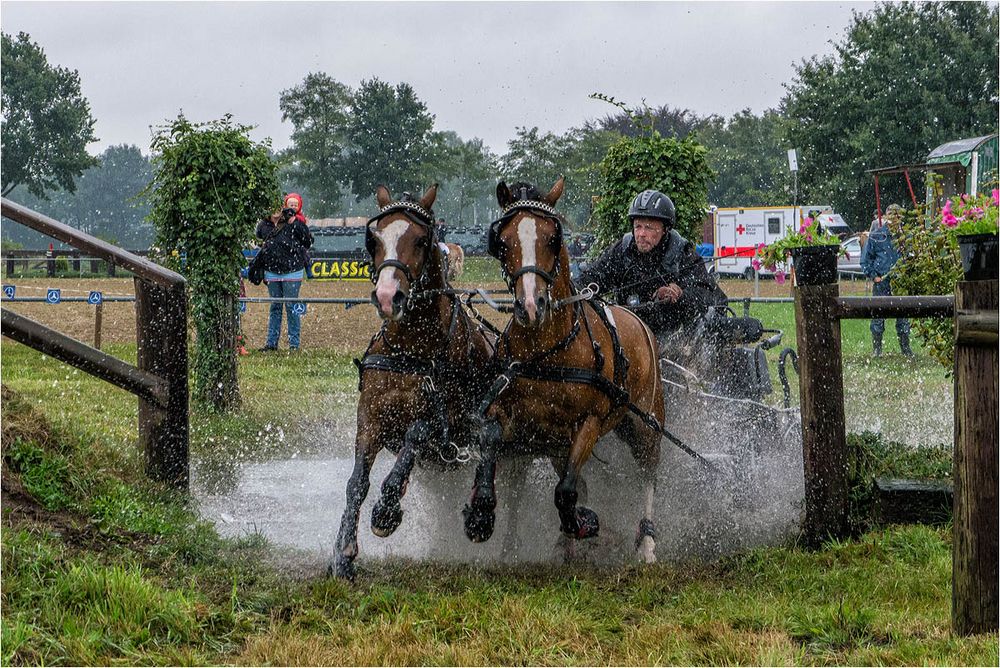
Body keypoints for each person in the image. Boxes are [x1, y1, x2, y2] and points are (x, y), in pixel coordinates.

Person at [576, 189, 727, 344]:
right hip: (629, 337)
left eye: (648, 228)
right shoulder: (622, 250)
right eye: (638, 226)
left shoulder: (683, 253)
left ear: (664, 229)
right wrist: (571, 288)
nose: (641, 234)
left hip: (675, 341)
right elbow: (594, 277)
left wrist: (680, 295)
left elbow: (711, 296)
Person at [254, 193, 314, 351]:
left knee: (291, 306)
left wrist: (296, 223)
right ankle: (271, 343)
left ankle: (294, 344)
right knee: (275, 307)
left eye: (277, 207)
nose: (275, 211)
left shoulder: (293, 222)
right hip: (272, 271)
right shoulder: (264, 225)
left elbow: (307, 241)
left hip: (292, 270)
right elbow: (258, 239)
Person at [860, 204, 912, 358]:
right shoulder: (877, 236)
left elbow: (913, 257)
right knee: (878, 315)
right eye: (891, 214)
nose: (894, 217)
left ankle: (906, 349)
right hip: (881, 282)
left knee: (903, 316)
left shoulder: (906, 237)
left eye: (897, 215)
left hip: (901, 283)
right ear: (887, 216)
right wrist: (873, 275)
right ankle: (877, 349)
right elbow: (865, 260)